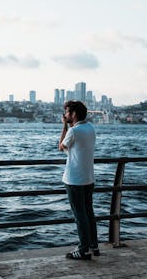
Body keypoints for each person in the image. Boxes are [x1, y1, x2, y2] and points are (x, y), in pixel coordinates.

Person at [58, 100, 99, 260]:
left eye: (67, 112)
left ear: (73, 114)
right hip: (89, 177)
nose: (65, 115)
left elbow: (61, 146)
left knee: (79, 215)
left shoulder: (74, 131)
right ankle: (93, 245)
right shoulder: (90, 128)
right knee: (89, 213)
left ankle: (83, 249)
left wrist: (64, 126)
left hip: (74, 179)